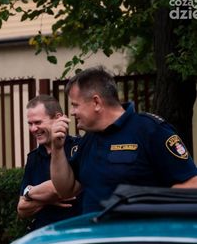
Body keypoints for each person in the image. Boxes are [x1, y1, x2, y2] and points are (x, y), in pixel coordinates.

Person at [50, 66, 197, 213]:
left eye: (75, 105)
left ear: (96, 102)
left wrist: (152, 213)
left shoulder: (151, 130)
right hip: (95, 227)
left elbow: (192, 183)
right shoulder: (89, 139)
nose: (72, 112)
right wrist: (57, 148)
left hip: (140, 228)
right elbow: (66, 190)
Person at [17, 95, 81, 231]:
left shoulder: (79, 148)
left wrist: (29, 192)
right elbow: (21, 209)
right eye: (30, 124)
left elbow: (58, 189)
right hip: (43, 238)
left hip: (75, 236)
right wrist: (47, 199)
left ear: (58, 118)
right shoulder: (33, 158)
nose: (33, 129)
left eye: (38, 122)